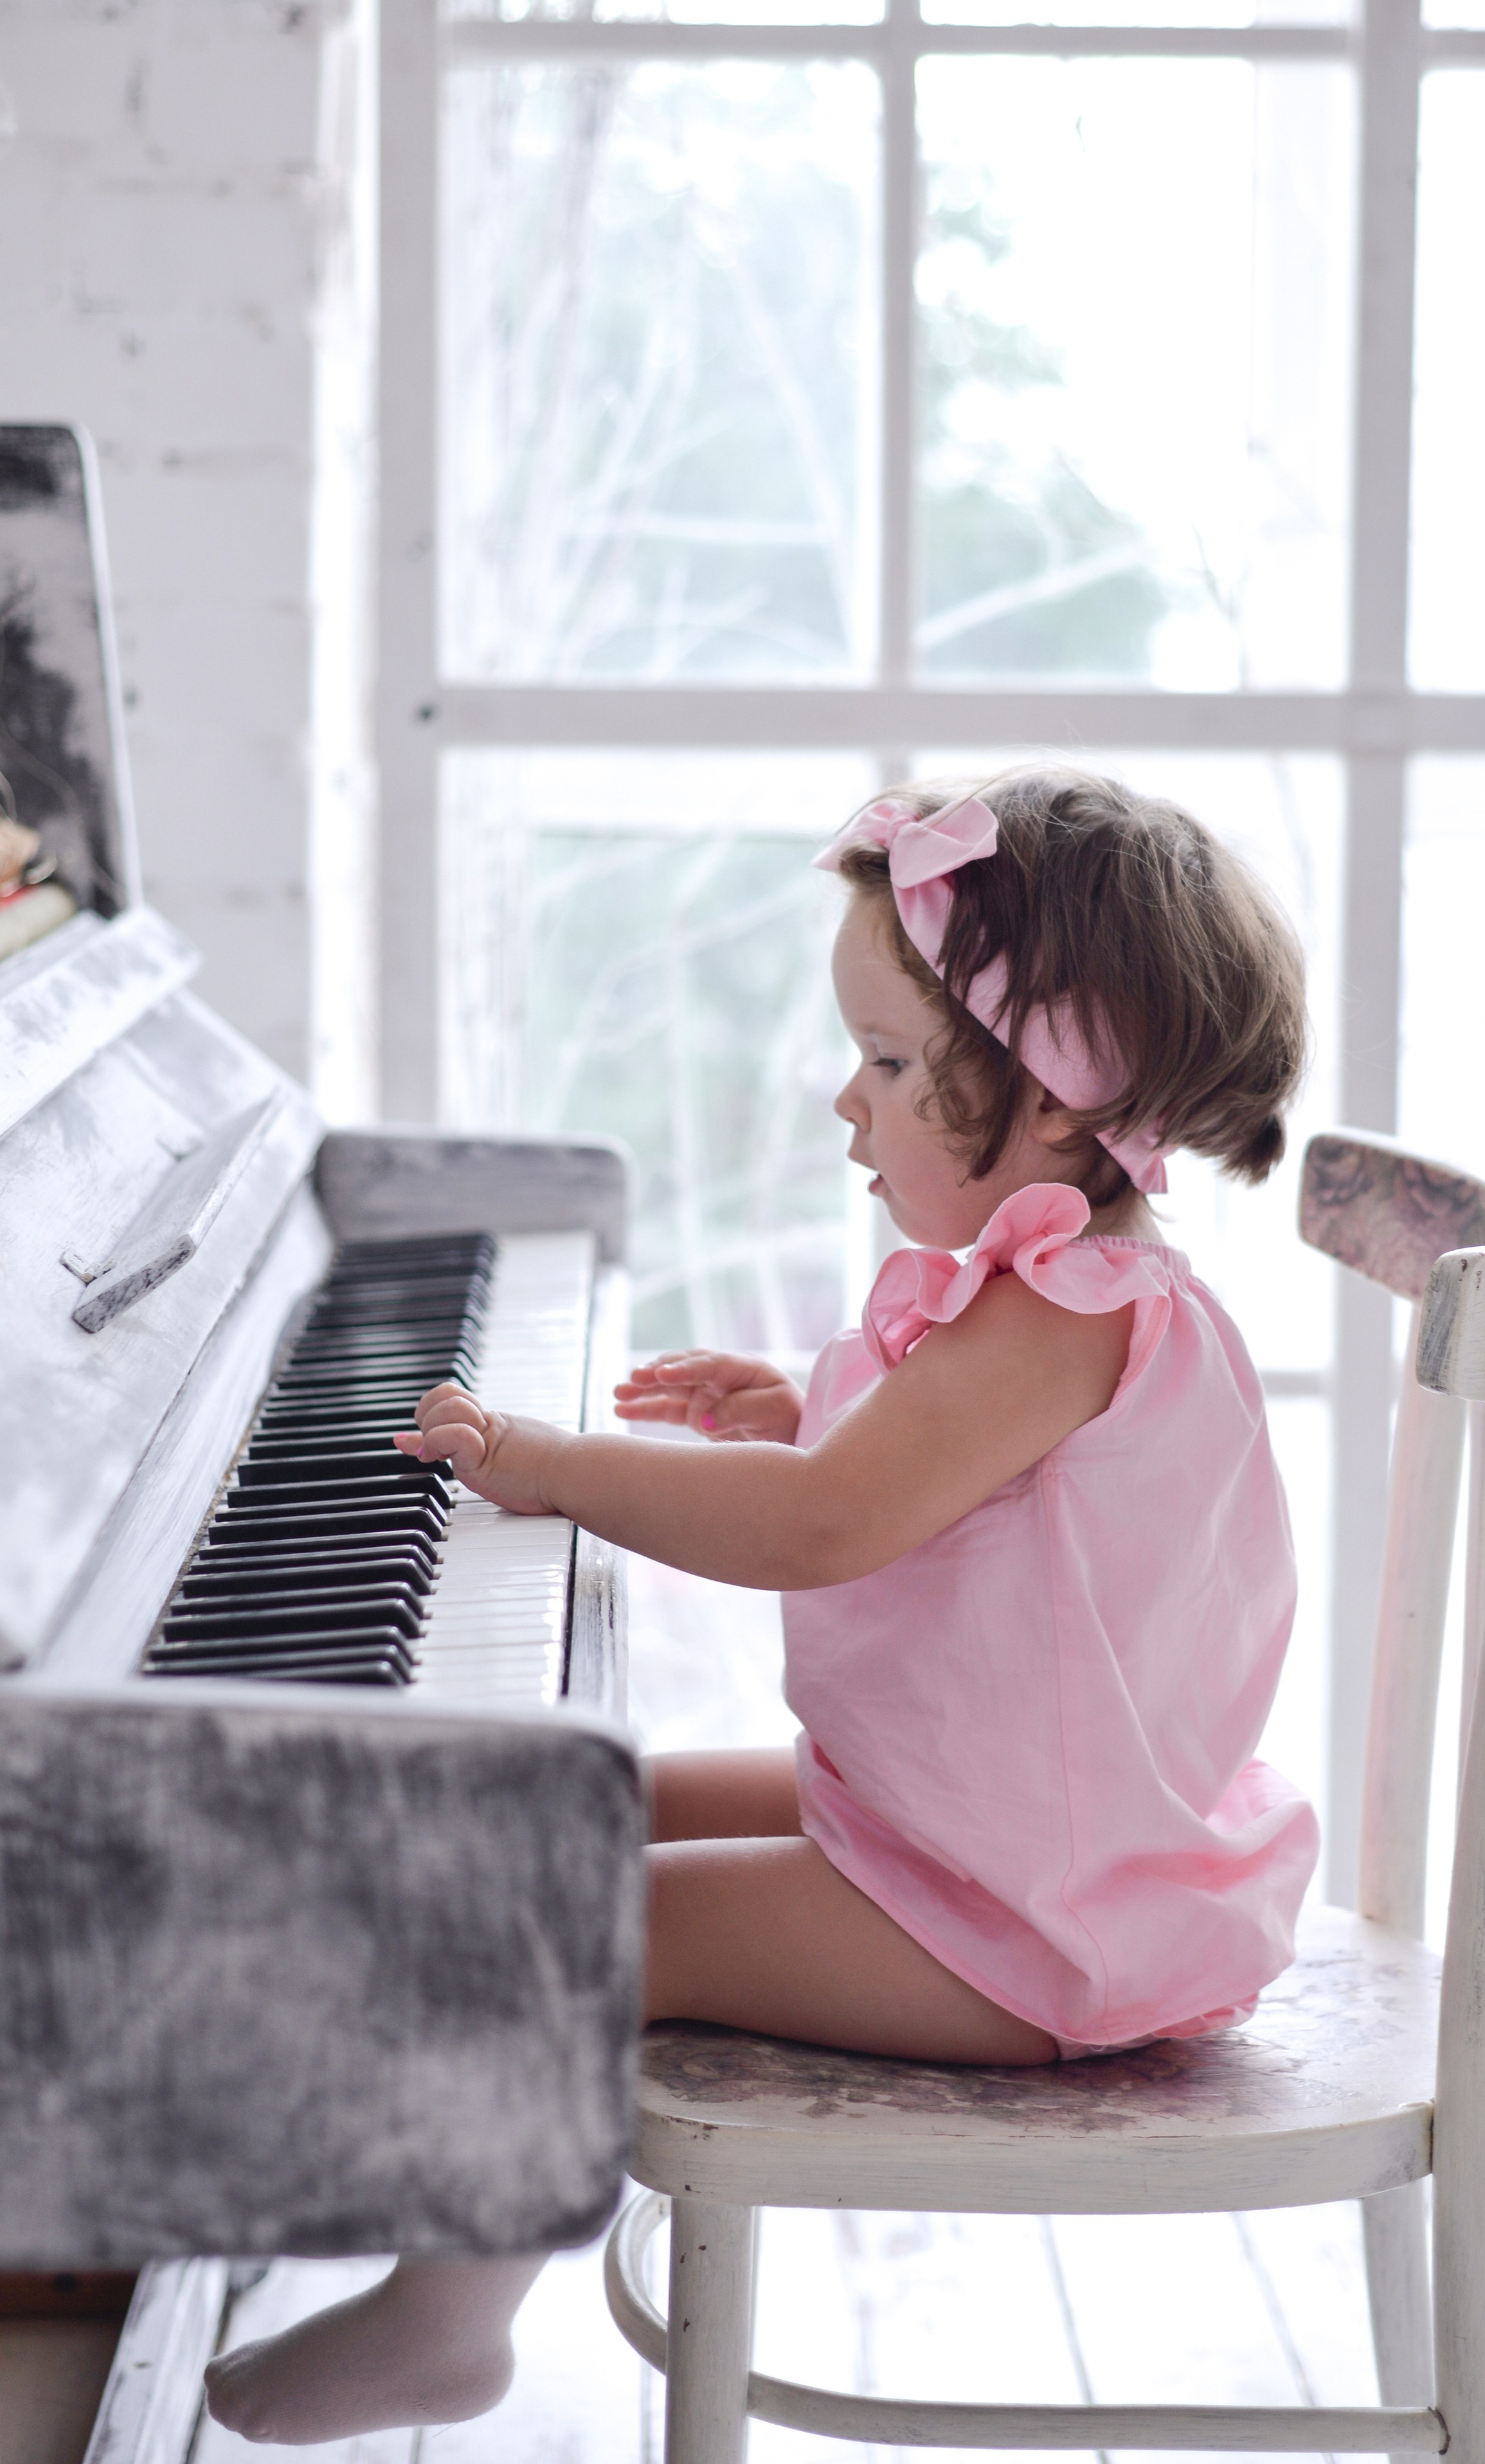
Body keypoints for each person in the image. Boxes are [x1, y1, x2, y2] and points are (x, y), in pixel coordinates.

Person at [204, 763, 1320, 2445]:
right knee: (566, 1809)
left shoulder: (1058, 1313)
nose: (844, 1101)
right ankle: (322, 2147)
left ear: (1056, 1104)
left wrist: (559, 1465)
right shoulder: (1066, 1294)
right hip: (984, 1836)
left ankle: (449, 2325)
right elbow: (970, 1497)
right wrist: (811, 1409)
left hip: (1028, 1924)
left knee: (587, 1920)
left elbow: (824, 1528)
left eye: (890, 1062)